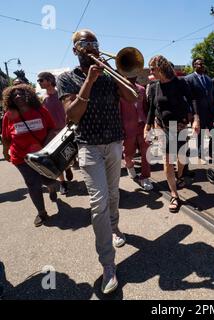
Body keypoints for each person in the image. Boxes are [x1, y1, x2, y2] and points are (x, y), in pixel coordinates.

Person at [56, 29, 136, 295]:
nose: (91, 47)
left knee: (113, 194)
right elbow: (72, 115)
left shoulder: (110, 74)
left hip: (114, 143)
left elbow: (133, 97)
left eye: (95, 43)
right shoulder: (67, 78)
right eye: (85, 43)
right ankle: (108, 264)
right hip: (88, 147)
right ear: (75, 49)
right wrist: (89, 81)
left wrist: (117, 73)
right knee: (98, 201)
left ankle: (115, 227)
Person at [145, 55, 200, 213]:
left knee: (182, 157)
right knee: (168, 160)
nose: (151, 71)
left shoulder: (180, 83)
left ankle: (180, 176)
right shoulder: (154, 86)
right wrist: (147, 127)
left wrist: (196, 119)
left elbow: (192, 100)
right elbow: (151, 109)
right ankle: (174, 195)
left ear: (161, 68)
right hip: (162, 127)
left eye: (153, 68)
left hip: (180, 125)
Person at [1, 84, 58, 227]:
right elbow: (6, 137)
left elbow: (52, 129)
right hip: (21, 157)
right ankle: (42, 212)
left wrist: (46, 146)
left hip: (42, 155)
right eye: (14, 95)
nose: (18, 96)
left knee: (48, 180)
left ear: (29, 95)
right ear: (10, 99)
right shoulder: (9, 115)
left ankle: (51, 188)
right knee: (32, 184)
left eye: (21, 93)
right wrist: (4, 152)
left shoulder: (40, 110)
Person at [37, 72, 74, 195]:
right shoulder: (42, 98)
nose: (39, 83)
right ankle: (63, 183)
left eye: (41, 80)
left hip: (67, 130)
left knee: (68, 156)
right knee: (56, 158)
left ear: (49, 80)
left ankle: (68, 167)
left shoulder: (62, 93)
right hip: (53, 133)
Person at [120, 76, 153, 191]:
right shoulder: (120, 91)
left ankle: (145, 177)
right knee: (128, 154)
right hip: (128, 128)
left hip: (142, 126)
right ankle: (129, 165)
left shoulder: (141, 89)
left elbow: (145, 108)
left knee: (146, 153)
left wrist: (149, 124)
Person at [185, 58, 214, 160]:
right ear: (194, 66)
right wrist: (190, 113)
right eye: (199, 64)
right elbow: (187, 97)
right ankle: (200, 154)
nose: (202, 66)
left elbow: (213, 95)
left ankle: (211, 153)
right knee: (200, 135)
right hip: (197, 113)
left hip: (210, 112)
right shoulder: (189, 79)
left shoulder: (208, 79)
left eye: (203, 64)